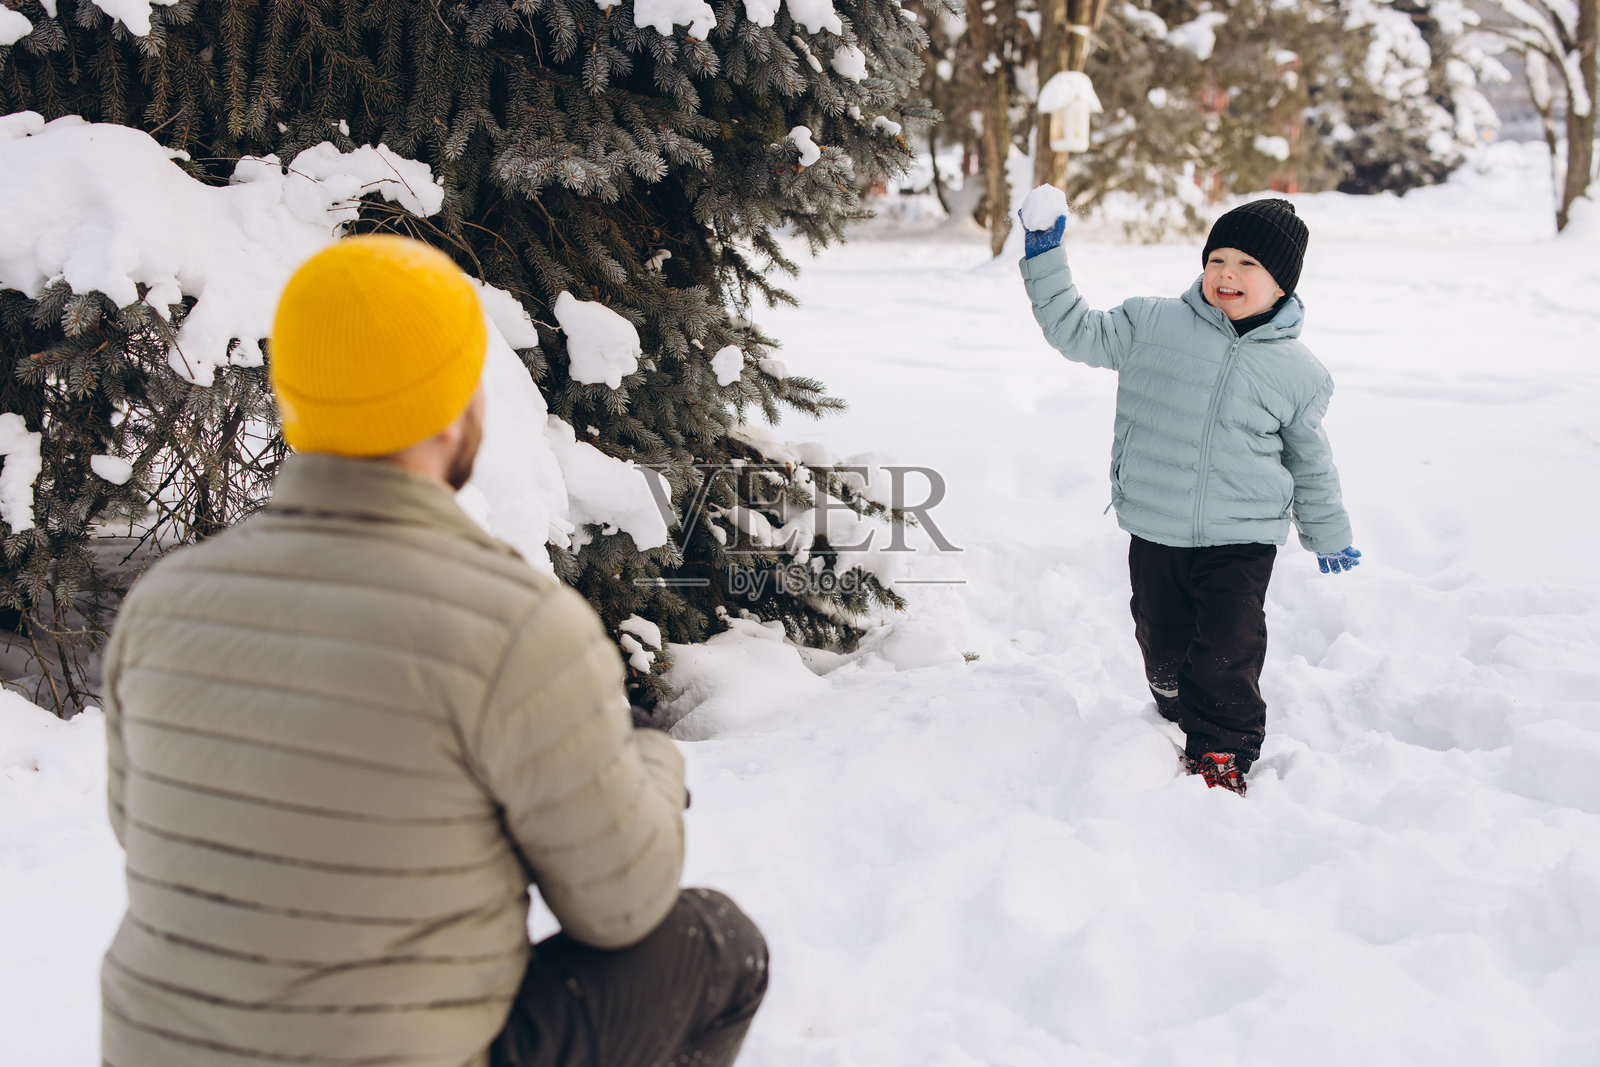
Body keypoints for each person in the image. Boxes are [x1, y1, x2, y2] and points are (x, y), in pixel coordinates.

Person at [99, 235, 767, 1066]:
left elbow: (151, 831)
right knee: (715, 946)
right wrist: (648, 758)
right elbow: (623, 905)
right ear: (458, 410)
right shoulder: (513, 626)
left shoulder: (162, 606)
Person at [1017, 198, 1361, 796]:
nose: (1227, 273)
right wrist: (1045, 257)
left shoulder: (1300, 373)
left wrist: (1328, 531)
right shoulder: (1151, 324)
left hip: (1244, 533)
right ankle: (1171, 686)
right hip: (1158, 520)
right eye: (1217, 258)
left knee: (1230, 643)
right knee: (1161, 630)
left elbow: (1310, 460)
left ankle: (1222, 747)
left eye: (1248, 263)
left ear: (1282, 286)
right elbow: (1073, 330)